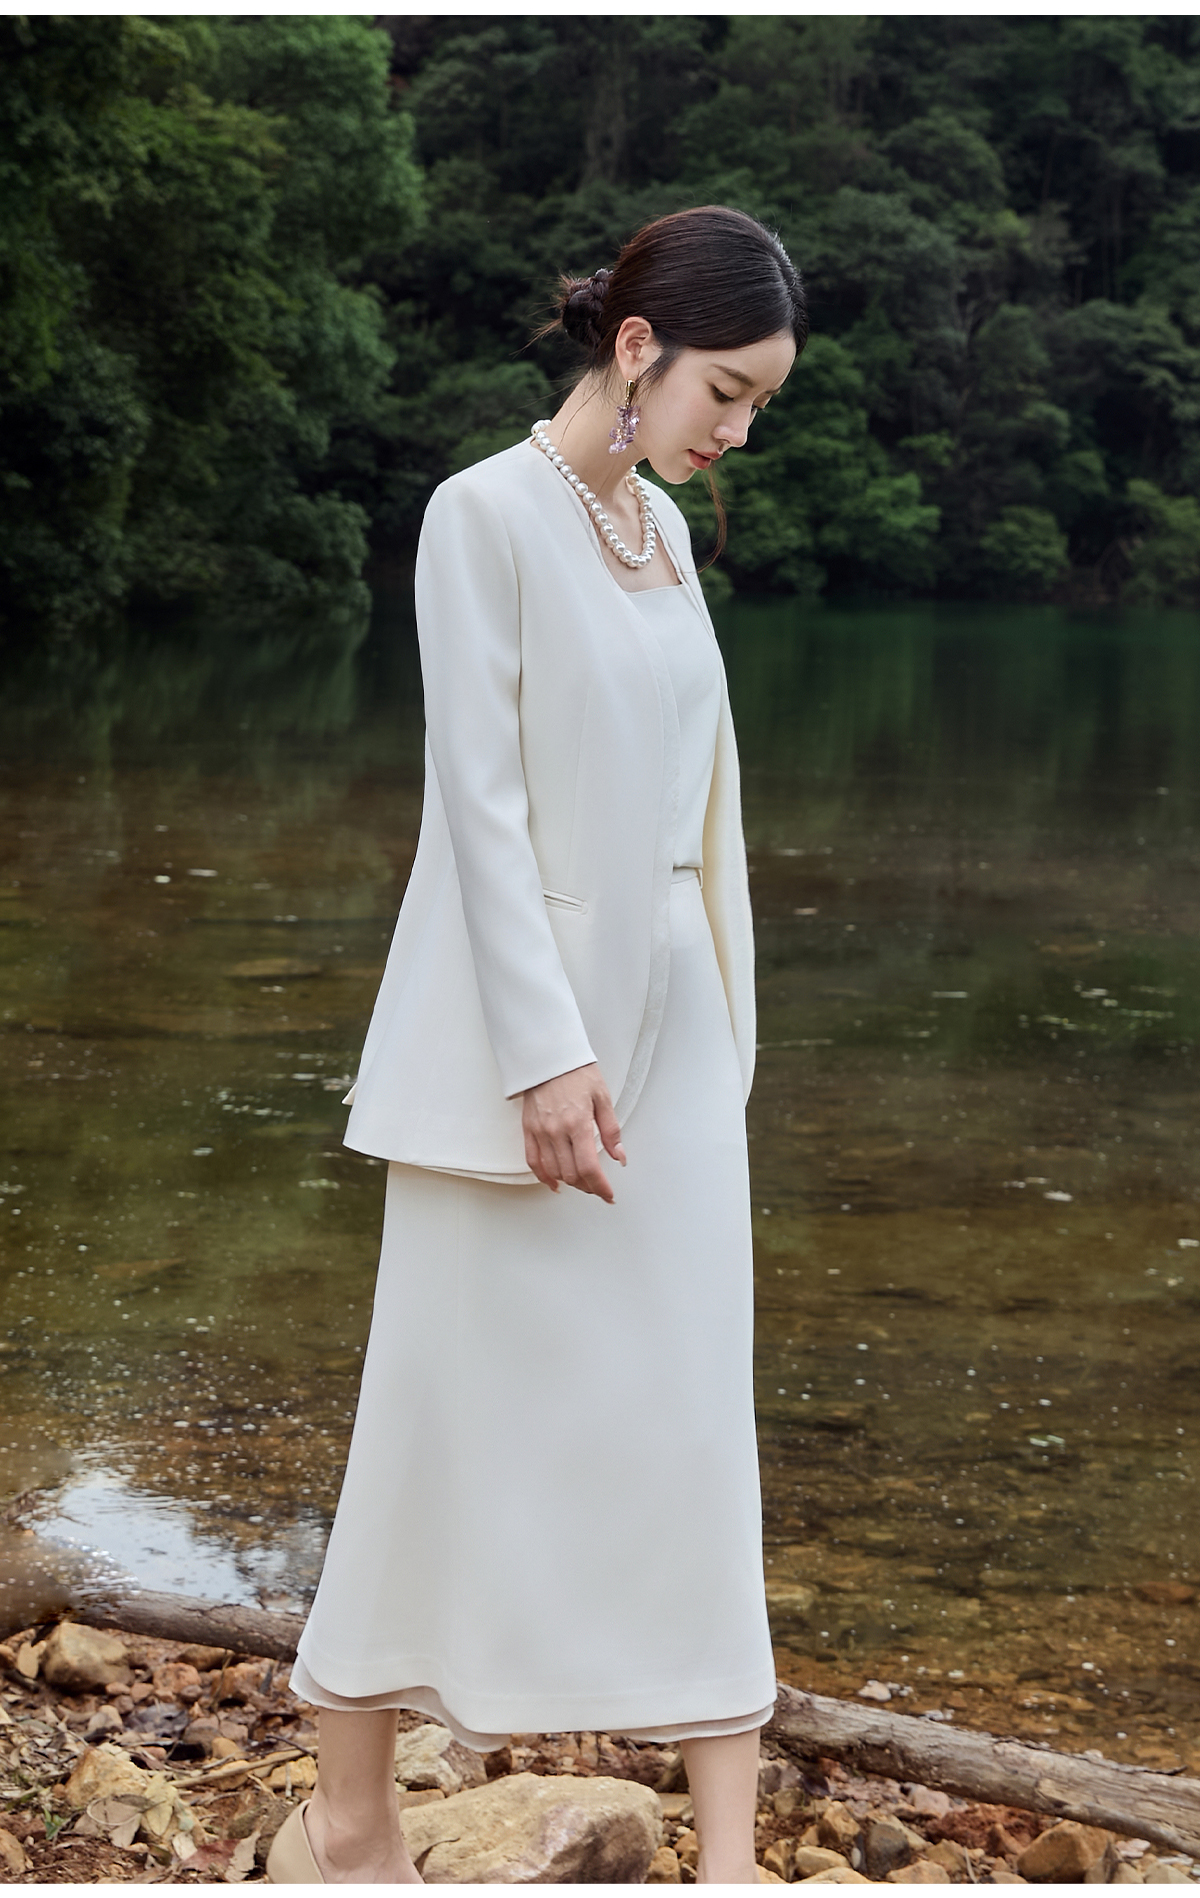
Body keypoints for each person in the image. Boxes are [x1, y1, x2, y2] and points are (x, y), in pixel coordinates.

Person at [267, 204, 807, 1886]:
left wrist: (707, 1031)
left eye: (760, 405)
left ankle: (730, 1860)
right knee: (431, 1418)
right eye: (726, 392)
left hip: (684, 1047)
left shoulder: (666, 532)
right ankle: (356, 1819)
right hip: (519, 1059)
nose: (738, 431)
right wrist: (542, 1052)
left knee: (695, 1427)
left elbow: (691, 805)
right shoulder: (483, 515)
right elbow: (479, 809)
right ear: (637, 348)